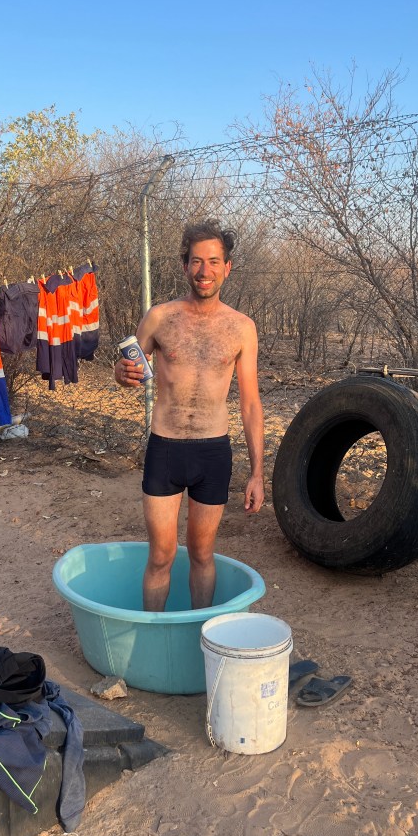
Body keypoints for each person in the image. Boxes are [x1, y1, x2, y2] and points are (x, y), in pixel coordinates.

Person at [114, 219, 264, 611]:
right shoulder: (160, 317)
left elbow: (250, 403)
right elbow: (130, 367)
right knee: (161, 556)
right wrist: (121, 374)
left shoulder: (242, 328)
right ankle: (152, 637)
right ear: (185, 266)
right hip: (165, 448)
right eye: (197, 262)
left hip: (213, 452)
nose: (205, 271)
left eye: (214, 262)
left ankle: (201, 636)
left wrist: (258, 473)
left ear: (227, 267)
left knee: (201, 554)